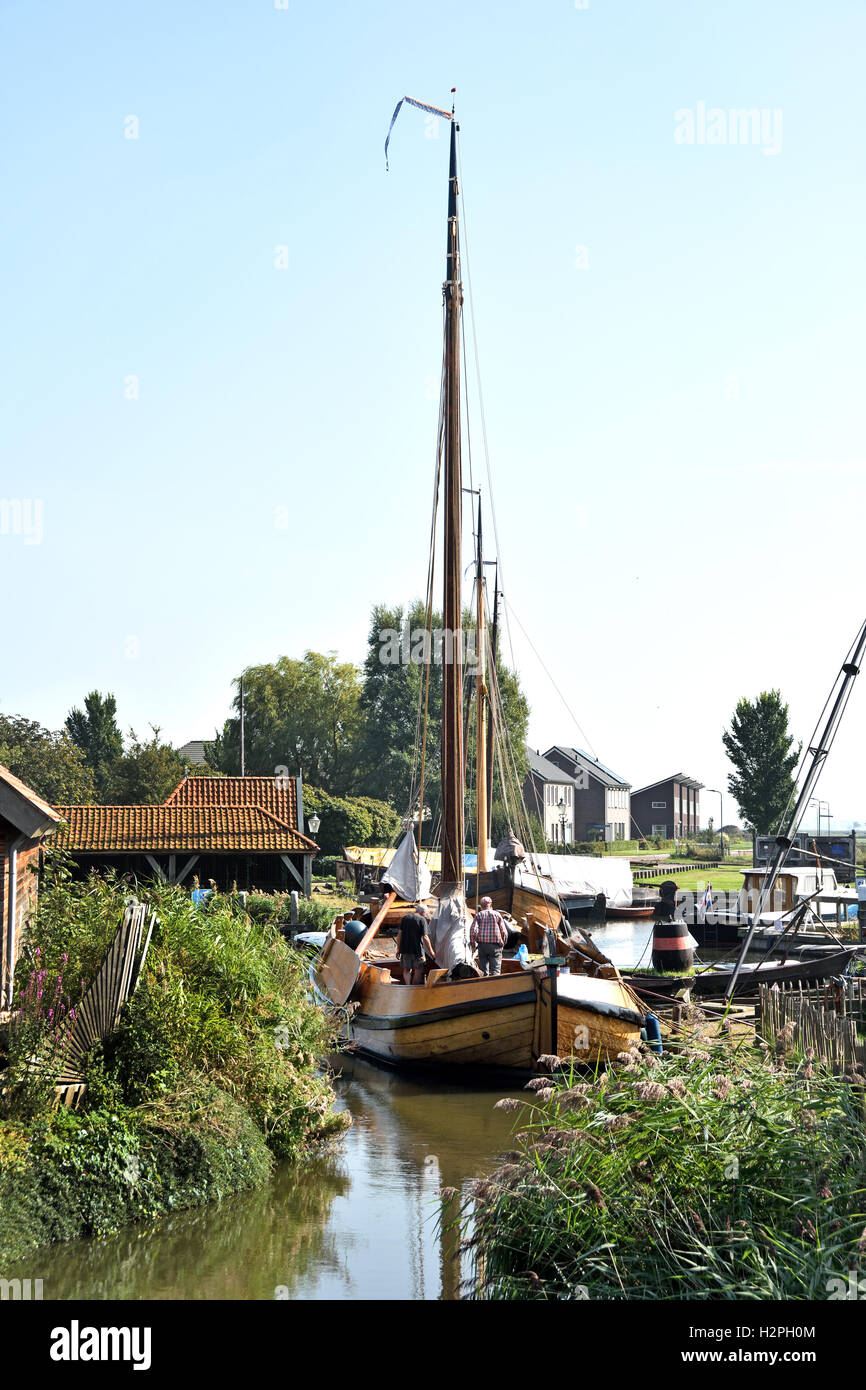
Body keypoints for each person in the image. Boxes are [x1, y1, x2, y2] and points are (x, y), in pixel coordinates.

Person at [395, 905, 436, 985]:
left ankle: (408, 986)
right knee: (418, 970)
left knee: (407, 969)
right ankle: (414, 988)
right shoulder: (422, 919)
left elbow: (399, 935)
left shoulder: (405, 918)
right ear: (423, 912)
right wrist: (432, 952)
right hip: (418, 950)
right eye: (425, 914)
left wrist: (398, 949)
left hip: (405, 949)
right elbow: (425, 937)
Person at [471, 896, 509, 977]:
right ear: (491, 904)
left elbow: (473, 931)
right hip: (495, 946)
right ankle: (495, 987)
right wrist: (503, 944)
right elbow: (504, 932)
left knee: (483, 971)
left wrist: (473, 945)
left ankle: (483, 986)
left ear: (481, 906)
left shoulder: (479, 915)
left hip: (482, 946)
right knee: (496, 971)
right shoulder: (497, 915)